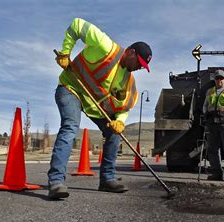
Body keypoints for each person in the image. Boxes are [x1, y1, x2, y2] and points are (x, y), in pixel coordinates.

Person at [47, 18, 152, 199]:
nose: (139, 68)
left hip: (93, 105)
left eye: (143, 66)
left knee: (114, 133)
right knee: (70, 126)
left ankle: (107, 180)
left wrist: (120, 121)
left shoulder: (128, 82)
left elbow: (125, 106)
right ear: (131, 52)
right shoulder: (106, 47)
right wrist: (65, 52)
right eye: (139, 63)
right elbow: (77, 25)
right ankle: (56, 182)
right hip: (71, 88)